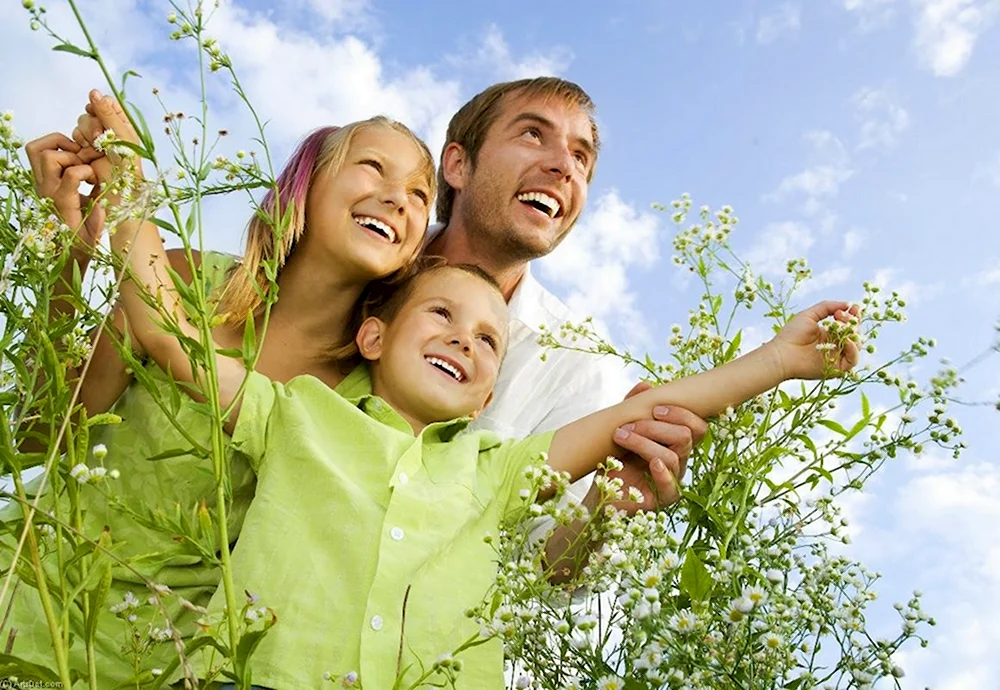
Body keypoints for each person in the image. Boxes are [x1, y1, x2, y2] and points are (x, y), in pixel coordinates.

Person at [91, 95, 859, 689]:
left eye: (492, 340)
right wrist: (128, 191)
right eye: (533, 134)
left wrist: (777, 360)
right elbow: (170, 334)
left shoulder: (494, 466)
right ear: (374, 336)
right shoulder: (299, 412)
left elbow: (633, 418)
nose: (466, 339)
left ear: (491, 386)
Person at [2, 92, 435, 686]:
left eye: (420, 196)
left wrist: (133, 187)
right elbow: (39, 437)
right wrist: (74, 247)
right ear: (305, 183)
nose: (398, 198)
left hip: (144, 663)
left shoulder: (362, 400)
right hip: (23, 601)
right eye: (373, 167)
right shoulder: (183, 278)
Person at [421, 77, 708, 575]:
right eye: (533, 134)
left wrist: (604, 507)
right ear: (458, 164)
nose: (563, 168)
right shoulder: (364, 260)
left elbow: (544, 572)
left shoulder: (579, 364)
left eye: (582, 158)